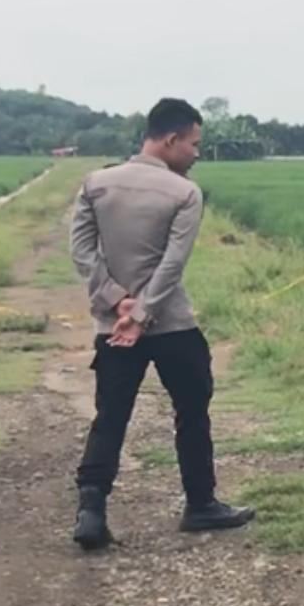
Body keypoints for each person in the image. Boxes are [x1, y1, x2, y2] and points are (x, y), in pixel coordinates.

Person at [68, 98, 255, 550]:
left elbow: (82, 253)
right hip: (171, 324)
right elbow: (172, 264)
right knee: (192, 410)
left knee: (110, 415)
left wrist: (119, 304)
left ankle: (91, 510)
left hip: (113, 326)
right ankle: (201, 503)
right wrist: (144, 313)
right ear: (171, 140)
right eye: (194, 143)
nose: (196, 153)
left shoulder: (95, 184)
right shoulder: (185, 193)